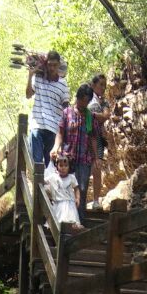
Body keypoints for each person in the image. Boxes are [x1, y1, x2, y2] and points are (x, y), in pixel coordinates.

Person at [50, 84, 96, 214]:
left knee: (81, 190)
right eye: (83, 100)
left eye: (87, 101)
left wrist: (96, 158)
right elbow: (60, 133)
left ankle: (79, 221)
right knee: (64, 189)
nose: (84, 103)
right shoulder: (67, 113)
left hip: (84, 159)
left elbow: (93, 137)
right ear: (78, 97)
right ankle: (62, 220)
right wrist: (55, 147)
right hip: (67, 159)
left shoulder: (90, 117)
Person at [25, 51, 69, 167]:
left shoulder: (63, 84)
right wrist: (30, 76)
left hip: (54, 128)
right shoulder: (38, 78)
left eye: (54, 65)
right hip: (37, 125)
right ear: (46, 64)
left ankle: (46, 185)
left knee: (50, 165)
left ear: (59, 65)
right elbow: (28, 95)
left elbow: (66, 107)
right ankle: (37, 184)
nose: (52, 68)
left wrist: (66, 128)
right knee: (37, 162)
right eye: (49, 64)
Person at [88, 74, 110, 207]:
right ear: (93, 84)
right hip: (86, 138)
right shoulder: (88, 97)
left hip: (99, 138)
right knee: (85, 168)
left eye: (105, 85)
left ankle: (96, 200)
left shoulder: (104, 102)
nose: (103, 87)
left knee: (97, 168)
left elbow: (106, 116)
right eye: (101, 84)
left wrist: (92, 115)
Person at [45, 154, 82, 228]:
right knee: (58, 220)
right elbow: (44, 180)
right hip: (58, 203)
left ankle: (73, 226)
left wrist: (77, 198)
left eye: (65, 166)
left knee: (70, 218)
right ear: (57, 167)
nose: (63, 168)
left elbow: (76, 188)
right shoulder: (54, 177)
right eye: (61, 166)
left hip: (69, 203)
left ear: (69, 167)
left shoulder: (72, 177)